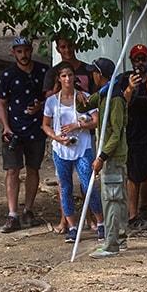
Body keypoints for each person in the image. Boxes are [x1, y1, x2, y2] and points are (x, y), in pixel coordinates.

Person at [0, 36, 51, 233]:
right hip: (14, 130)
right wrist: (6, 127)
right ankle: (12, 214)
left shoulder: (44, 71)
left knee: (33, 169)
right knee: (12, 170)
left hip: (37, 128)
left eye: (26, 50)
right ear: (13, 53)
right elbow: (1, 102)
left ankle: (28, 210)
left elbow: (51, 96)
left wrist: (41, 107)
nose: (23, 55)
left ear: (31, 49)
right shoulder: (7, 75)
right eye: (19, 51)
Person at [44, 62, 103, 245]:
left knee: (88, 185)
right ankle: (72, 226)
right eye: (64, 76)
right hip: (61, 149)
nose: (67, 79)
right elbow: (45, 124)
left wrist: (78, 125)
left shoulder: (84, 97)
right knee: (65, 187)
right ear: (59, 79)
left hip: (82, 146)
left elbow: (96, 121)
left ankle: (101, 223)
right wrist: (57, 137)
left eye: (70, 75)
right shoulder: (52, 101)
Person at [86, 57, 130, 258]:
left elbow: (116, 133)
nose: (91, 76)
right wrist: (81, 98)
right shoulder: (104, 94)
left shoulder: (116, 98)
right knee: (117, 197)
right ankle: (119, 236)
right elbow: (85, 105)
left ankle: (111, 244)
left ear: (100, 75)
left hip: (112, 157)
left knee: (112, 198)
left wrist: (102, 157)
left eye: (93, 73)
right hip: (109, 156)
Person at [123, 44, 147, 227]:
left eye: (143, 59)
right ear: (131, 61)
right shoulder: (124, 79)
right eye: (137, 59)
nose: (140, 63)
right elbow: (120, 104)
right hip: (135, 136)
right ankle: (132, 216)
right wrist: (130, 88)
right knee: (134, 177)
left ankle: (145, 207)